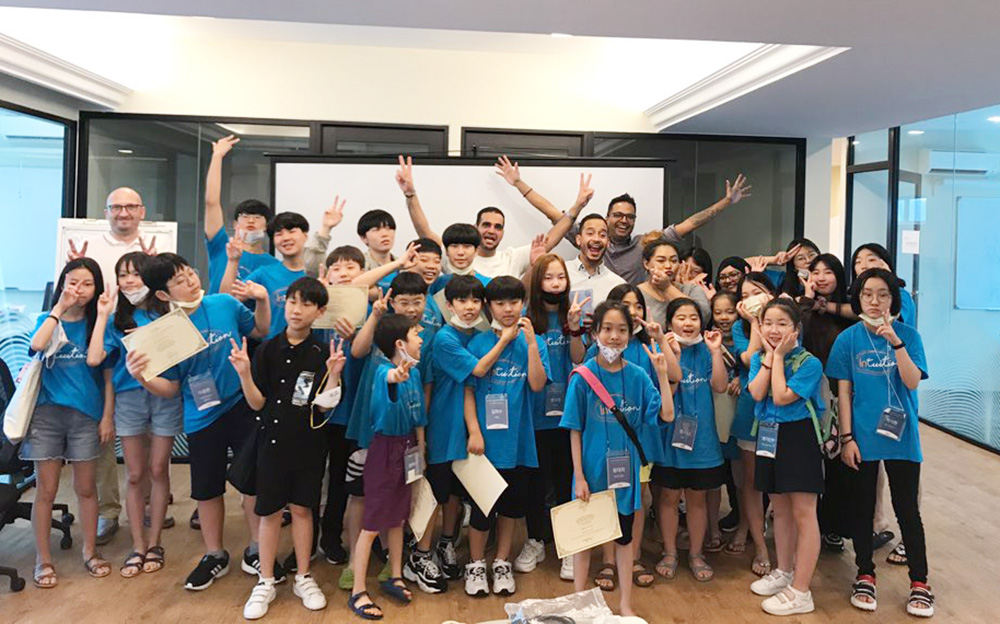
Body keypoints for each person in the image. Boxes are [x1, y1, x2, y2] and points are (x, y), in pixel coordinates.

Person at [123, 253, 273, 591]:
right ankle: (214, 554)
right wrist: (143, 377)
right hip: (202, 415)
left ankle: (256, 548)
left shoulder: (224, 304)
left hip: (242, 405)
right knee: (206, 489)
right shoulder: (163, 332)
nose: (190, 281)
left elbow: (261, 329)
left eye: (190, 273)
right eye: (179, 281)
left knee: (253, 481)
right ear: (163, 294)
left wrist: (262, 300)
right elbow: (171, 388)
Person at [229, 277, 346, 619]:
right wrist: (244, 373)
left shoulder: (322, 353)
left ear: (319, 311)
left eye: (306, 304)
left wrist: (334, 374)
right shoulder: (267, 349)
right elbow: (257, 403)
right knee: (268, 513)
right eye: (293, 301)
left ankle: (304, 577)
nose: (297, 310)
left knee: (303, 510)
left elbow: (324, 408)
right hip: (271, 444)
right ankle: (265, 580)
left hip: (309, 445)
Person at [826, 268, 933, 618]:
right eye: (867, 294)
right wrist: (847, 438)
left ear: (893, 299)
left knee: (907, 510)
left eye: (883, 294)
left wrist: (896, 342)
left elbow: (912, 382)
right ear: (858, 298)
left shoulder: (909, 336)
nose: (874, 301)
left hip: (903, 437)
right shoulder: (848, 339)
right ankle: (865, 574)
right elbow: (843, 393)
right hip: (862, 437)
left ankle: (920, 581)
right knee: (862, 508)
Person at [561, 301, 674, 617]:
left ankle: (625, 604)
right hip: (591, 472)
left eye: (622, 330)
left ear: (631, 333)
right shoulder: (582, 376)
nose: (614, 336)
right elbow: (574, 429)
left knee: (625, 540)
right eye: (607, 329)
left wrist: (663, 374)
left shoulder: (638, 375)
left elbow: (666, 415)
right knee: (585, 539)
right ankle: (580, 602)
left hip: (626, 475)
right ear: (595, 332)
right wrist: (579, 476)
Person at [66, 185, 159, 546]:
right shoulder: (88, 245)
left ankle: (148, 505)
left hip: (139, 351)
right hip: (98, 338)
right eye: (116, 207)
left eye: (130, 206)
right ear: (106, 211)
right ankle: (108, 512)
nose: (123, 212)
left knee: (148, 443)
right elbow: (71, 287)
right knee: (103, 437)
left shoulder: (157, 249)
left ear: (142, 211)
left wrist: (155, 270)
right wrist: (72, 266)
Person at [502, 153, 751, 285]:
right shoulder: (591, 239)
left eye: (630, 217)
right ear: (607, 217)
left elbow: (691, 223)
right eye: (618, 215)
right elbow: (552, 212)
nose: (624, 220)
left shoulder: (646, 243)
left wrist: (726, 202)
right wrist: (518, 183)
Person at [86, 252, 181, 578]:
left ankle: (155, 543)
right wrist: (102, 315)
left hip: (165, 396)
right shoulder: (117, 320)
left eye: (136, 274)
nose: (129, 281)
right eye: (123, 275)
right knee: (136, 474)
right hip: (129, 400)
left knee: (158, 469)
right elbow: (96, 359)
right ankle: (138, 545)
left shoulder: (166, 312)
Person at [23, 258, 112, 588]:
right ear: (62, 284)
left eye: (87, 284)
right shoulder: (48, 319)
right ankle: (43, 560)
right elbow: (36, 345)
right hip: (46, 415)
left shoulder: (98, 324)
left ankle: (90, 552)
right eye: (73, 282)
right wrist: (58, 309)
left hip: (86, 416)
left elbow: (103, 370)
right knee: (45, 491)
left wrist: (107, 416)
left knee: (86, 489)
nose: (79, 289)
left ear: (96, 288)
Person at [587, 284, 680, 591]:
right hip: (606, 440)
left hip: (640, 440)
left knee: (638, 498)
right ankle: (608, 559)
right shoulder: (597, 351)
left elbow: (674, 378)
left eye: (637, 305)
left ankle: (634, 556)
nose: (632, 311)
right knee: (608, 498)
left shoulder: (646, 347)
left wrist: (660, 340)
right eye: (625, 304)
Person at [463, 276, 550, 597]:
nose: (508, 309)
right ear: (489, 306)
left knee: (512, 509)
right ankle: (475, 564)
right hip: (484, 444)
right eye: (500, 303)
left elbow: (538, 384)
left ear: (523, 304)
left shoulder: (534, 342)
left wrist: (531, 345)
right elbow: (468, 391)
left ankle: (501, 562)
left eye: (514, 302)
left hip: (519, 444)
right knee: (482, 510)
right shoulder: (478, 342)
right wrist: (474, 430)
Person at [746, 299, 825, 616]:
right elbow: (756, 392)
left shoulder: (810, 363)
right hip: (768, 434)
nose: (774, 329)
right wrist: (769, 358)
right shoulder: (758, 358)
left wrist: (777, 356)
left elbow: (780, 396)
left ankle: (801, 591)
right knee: (779, 509)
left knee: (804, 512)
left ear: (796, 329)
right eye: (768, 323)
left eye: (782, 323)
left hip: (798, 437)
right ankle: (784, 571)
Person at [348, 313, 427, 621]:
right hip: (384, 451)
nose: (421, 338)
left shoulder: (415, 372)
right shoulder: (383, 372)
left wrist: (421, 449)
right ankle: (358, 590)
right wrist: (397, 375)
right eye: (415, 334)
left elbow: (418, 416)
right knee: (372, 524)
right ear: (400, 344)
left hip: (408, 447)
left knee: (398, 518)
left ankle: (395, 575)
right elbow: (391, 379)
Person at [396, 155, 592, 279]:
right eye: (486, 225)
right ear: (476, 227)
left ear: (503, 233)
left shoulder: (512, 258)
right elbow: (424, 232)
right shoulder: (456, 255)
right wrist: (410, 194)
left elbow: (552, 238)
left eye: (498, 227)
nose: (492, 230)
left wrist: (578, 206)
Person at [517, 255, 587, 578]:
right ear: (537, 282)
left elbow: (578, 359)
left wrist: (574, 329)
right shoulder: (525, 317)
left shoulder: (572, 312)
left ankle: (569, 544)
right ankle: (535, 539)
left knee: (565, 479)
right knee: (535, 481)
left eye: (561, 277)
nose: (556, 283)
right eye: (549, 277)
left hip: (567, 413)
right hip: (534, 412)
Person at [652, 298, 728, 583]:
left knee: (697, 499)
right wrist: (671, 353)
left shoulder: (707, 349)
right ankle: (670, 552)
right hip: (669, 437)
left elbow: (720, 386)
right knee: (668, 497)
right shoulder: (660, 349)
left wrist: (716, 351)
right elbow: (668, 387)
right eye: (681, 317)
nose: (688, 323)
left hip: (702, 439)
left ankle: (696, 553)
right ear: (669, 322)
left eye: (694, 318)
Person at [798, 253, 856, 553]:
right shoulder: (805, 308)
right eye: (815, 272)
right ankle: (809, 527)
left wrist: (828, 306)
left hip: (842, 393)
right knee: (810, 463)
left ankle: (833, 526)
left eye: (827, 272)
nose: (820, 277)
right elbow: (799, 334)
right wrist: (807, 300)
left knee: (837, 464)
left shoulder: (850, 310)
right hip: (807, 393)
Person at [731, 271, 778, 576]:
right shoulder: (740, 327)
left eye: (757, 292)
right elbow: (749, 359)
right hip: (752, 408)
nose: (751, 299)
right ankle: (759, 546)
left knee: (780, 482)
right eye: (745, 295)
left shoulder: (787, 320)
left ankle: (783, 546)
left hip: (784, 410)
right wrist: (754, 323)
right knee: (750, 482)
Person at [203, 135, 278, 294]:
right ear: (235, 224)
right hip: (217, 308)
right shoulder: (221, 246)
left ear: (266, 225)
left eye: (257, 217)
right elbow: (211, 202)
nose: (251, 221)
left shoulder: (273, 264)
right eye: (244, 217)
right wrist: (217, 156)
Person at [221, 212, 310, 339]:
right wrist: (233, 261)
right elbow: (227, 299)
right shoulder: (264, 273)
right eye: (279, 234)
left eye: (291, 231)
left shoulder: (316, 274)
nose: (285, 238)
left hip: (310, 346)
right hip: (271, 347)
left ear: (305, 235)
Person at [638, 238, 711, 324]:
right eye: (661, 261)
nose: (668, 266)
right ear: (646, 264)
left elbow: (704, 316)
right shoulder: (637, 293)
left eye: (674, 261)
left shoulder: (691, 290)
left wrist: (667, 287)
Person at [565, 214, 626, 310]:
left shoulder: (617, 284)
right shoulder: (562, 272)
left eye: (602, 235)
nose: (596, 239)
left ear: (608, 243)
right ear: (579, 239)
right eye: (590, 233)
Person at [851, 243, 916, 326]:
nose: (863, 266)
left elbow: (893, 320)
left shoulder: (902, 294)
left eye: (871, 260)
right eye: (858, 262)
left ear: (885, 264)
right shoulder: (857, 295)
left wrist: (888, 278)